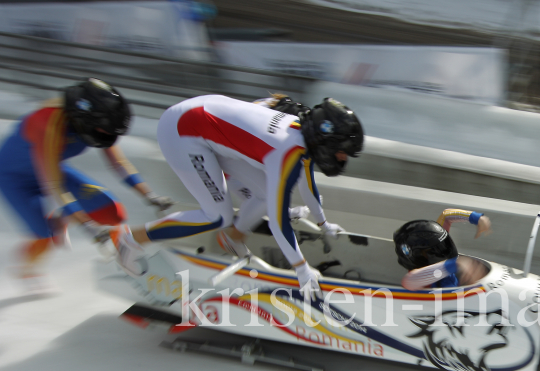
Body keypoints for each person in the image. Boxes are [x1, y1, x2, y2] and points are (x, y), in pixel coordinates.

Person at [114, 95, 363, 299]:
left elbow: (308, 184)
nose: (343, 158)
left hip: (205, 123)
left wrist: (323, 222)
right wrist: (301, 269)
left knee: (266, 194)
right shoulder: (287, 153)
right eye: (343, 152)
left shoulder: (302, 133)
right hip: (183, 131)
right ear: (327, 143)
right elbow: (279, 221)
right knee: (216, 216)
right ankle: (131, 239)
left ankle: (233, 237)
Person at [0, 78, 173, 290]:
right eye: (105, 131)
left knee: (112, 212)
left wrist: (150, 195)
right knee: (45, 237)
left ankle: (63, 219)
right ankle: (27, 271)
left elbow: (118, 162)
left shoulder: (93, 122)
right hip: (15, 179)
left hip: (52, 170)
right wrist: (86, 224)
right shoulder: (48, 125)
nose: (109, 136)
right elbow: (54, 184)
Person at [221, 93, 344, 257]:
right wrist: (324, 224)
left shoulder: (275, 109)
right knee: (264, 200)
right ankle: (233, 238)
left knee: (271, 193)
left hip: (232, 150)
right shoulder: (296, 137)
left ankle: (274, 218)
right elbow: (306, 186)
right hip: (231, 162)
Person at [395, 209, 492, 290]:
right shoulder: (413, 280)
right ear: (417, 256)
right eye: (433, 251)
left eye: (444, 244)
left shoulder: (438, 245)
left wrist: (476, 218)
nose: (443, 250)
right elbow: (409, 280)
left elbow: (446, 215)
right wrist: (457, 264)